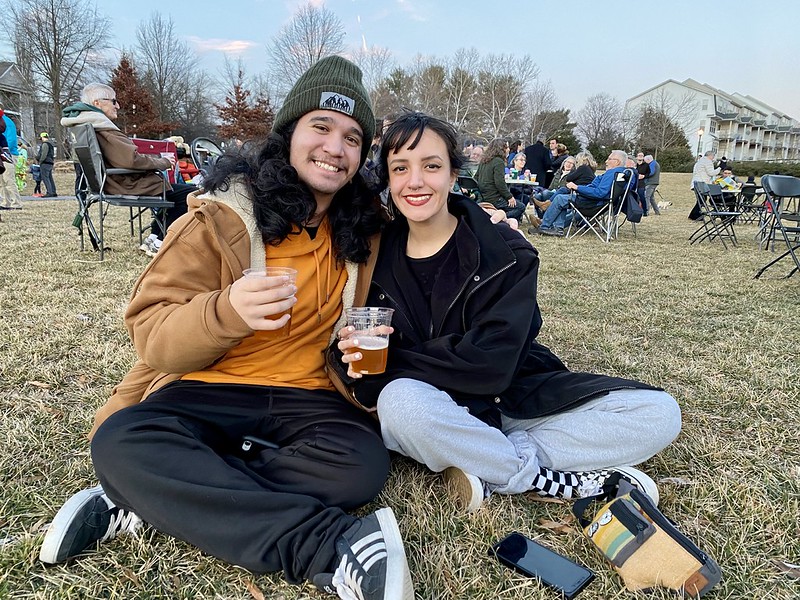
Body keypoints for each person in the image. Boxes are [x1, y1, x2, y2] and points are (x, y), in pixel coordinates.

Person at [39, 56, 414, 600]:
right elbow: (151, 333)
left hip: (309, 398)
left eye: (353, 138)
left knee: (359, 468)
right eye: (321, 127)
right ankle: (329, 547)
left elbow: (432, 217)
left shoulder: (365, 230)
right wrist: (227, 311)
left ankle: (154, 497)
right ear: (288, 134)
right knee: (123, 442)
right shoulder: (219, 218)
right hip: (212, 389)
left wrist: (488, 222)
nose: (336, 147)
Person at [332, 112, 681, 514]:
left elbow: (492, 364)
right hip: (427, 405)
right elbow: (356, 360)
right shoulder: (373, 255)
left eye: (431, 166)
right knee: (400, 402)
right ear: (388, 178)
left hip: (508, 398)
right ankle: (542, 477)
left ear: (453, 174)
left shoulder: (504, 250)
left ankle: (485, 463)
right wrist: (353, 360)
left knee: (659, 413)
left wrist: (395, 361)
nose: (415, 181)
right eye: (400, 168)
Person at [60, 84, 197, 252]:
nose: (117, 106)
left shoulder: (85, 126)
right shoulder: (104, 129)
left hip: (109, 182)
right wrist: (164, 161)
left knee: (176, 192)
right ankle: (160, 241)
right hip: (124, 183)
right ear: (97, 103)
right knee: (190, 194)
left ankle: (154, 237)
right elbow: (132, 160)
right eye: (113, 101)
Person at [535, 149, 628, 237]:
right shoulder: (622, 174)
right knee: (563, 197)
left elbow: (600, 192)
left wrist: (577, 187)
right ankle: (557, 228)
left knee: (560, 198)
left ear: (617, 162)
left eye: (609, 159)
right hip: (600, 203)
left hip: (594, 203)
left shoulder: (612, 173)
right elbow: (596, 188)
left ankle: (544, 227)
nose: (606, 161)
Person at [475, 138, 528, 221]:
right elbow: (499, 183)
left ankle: (495, 216)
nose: (508, 149)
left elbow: (476, 177)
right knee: (521, 207)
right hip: (495, 198)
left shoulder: (484, 161)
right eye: (506, 147)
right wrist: (509, 197)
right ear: (501, 149)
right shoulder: (499, 162)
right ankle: (499, 218)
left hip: (483, 196)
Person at [0, 108, 23, 210]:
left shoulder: (6, 122)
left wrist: (4, 151)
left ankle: (16, 203)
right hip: (2, 153)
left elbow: (11, 140)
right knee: (2, 180)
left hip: (9, 154)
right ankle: (6, 202)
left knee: (8, 179)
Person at [689, 151, 720, 220]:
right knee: (702, 200)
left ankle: (694, 214)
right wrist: (719, 168)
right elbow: (711, 173)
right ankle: (695, 215)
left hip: (696, 183)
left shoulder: (699, 162)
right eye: (713, 156)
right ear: (710, 156)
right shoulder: (708, 162)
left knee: (701, 199)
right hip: (702, 183)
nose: (713, 158)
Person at [37, 132, 58, 197]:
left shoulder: (45, 144)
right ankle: (53, 191)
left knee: (45, 178)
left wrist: (40, 161)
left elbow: (44, 154)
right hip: (50, 163)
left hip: (45, 163)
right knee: (50, 178)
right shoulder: (51, 144)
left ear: (43, 137)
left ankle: (49, 192)